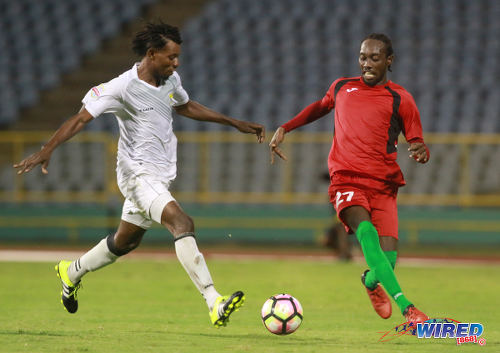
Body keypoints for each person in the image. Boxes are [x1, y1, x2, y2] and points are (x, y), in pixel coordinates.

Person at [13, 21, 265, 328]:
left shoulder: (170, 79)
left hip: (159, 175)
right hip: (136, 175)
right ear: (151, 54)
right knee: (182, 222)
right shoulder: (121, 87)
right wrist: (47, 148)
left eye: (177, 57)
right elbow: (80, 119)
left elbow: (184, 106)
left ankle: (71, 272)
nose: (177, 62)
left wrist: (234, 122)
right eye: (171, 57)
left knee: (124, 242)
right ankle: (214, 301)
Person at [269, 33, 430, 324]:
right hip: (347, 180)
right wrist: (286, 127)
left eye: (374, 58)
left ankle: (370, 281)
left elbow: (416, 139)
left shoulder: (401, 99)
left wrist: (420, 149)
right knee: (365, 232)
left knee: (388, 263)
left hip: (384, 185)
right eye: (362, 57)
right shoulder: (342, 87)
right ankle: (409, 309)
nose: (366, 64)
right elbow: (320, 106)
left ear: (389, 61)